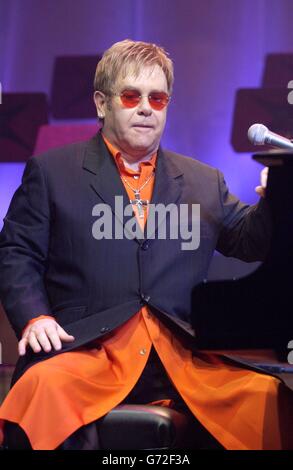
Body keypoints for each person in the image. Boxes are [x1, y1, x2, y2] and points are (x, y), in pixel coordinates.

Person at [0, 39, 290, 450]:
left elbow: (250, 241)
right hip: (88, 353)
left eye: (157, 98)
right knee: (43, 390)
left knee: (269, 399)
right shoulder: (52, 172)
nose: (145, 108)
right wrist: (34, 318)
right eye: (132, 96)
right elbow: (16, 252)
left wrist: (277, 198)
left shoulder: (203, 181)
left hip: (182, 359)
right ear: (102, 103)